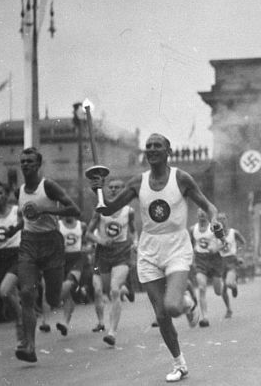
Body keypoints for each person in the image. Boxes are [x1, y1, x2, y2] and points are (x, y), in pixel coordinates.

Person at [89, 133, 218, 382]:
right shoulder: (138, 181)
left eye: (157, 146)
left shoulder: (181, 178)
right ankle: (179, 364)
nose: (151, 149)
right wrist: (98, 190)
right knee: (161, 315)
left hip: (177, 247)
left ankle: (188, 304)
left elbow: (208, 206)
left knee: (172, 306)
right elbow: (109, 209)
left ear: (168, 150)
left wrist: (215, 223)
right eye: (148, 146)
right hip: (149, 251)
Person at [10, 147, 82, 362]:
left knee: (52, 298)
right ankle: (30, 347)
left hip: (52, 242)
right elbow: (28, 217)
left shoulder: (48, 186)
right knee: (26, 294)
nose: (25, 165)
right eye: (22, 161)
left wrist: (48, 210)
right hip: (29, 243)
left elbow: (75, 210)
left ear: (38, 164)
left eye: (30, 161)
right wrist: (15, 229)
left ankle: (70, 284)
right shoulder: (19, 191)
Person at [85, 178, 136, 346]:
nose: (113, 190)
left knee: (114, 290)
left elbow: (133, 232)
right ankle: (125, 289)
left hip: (121, 253)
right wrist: (100, 241)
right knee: (107, 290)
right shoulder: (100, 210)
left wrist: (134, 245)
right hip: (103, 254)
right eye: (111, 187)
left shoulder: (129, 211)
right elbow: (88, 234)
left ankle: (112, 332)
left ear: (123, 190)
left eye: (118, 187)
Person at [0, 181, 24, 346]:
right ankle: (23, 335)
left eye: (0, 193)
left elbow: (26, 224)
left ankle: (20, 321)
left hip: (15, 254)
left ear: (6, 195)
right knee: (11, 294)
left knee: (4, 291)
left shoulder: (16, 211)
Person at [54, 216, 87, 336]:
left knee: (69, 283)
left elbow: (85, 240)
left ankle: (56, 301)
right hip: (61, 259)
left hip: (76, 259)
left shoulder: (81, 225)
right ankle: (65, 323)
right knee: (68, 294)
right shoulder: (58, 225)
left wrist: (86, 248)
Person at [190, 209, 223, 327]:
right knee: (202, 287)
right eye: (200, 217)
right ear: (197, 216)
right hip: (200, 260)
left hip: (214, 259)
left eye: (204, 217)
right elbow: (189, 245)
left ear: (208, 217)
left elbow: (223, 242)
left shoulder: (214, 227)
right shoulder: (193, 229)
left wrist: (216, 248)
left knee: (218, 291)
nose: (202, 219)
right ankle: (205, 317)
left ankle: (220, 284)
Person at [216, 212, 246, 319]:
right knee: (222, 289)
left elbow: (243, 243)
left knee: (228, 283)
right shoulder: (215, 235)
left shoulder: (234, 232)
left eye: (223, 218)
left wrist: (240, 255)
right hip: (221, 262)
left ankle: (234, 286)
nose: (221, 221)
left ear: (227, 220)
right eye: (219, 219)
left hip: (232, 260)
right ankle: (228, 309)